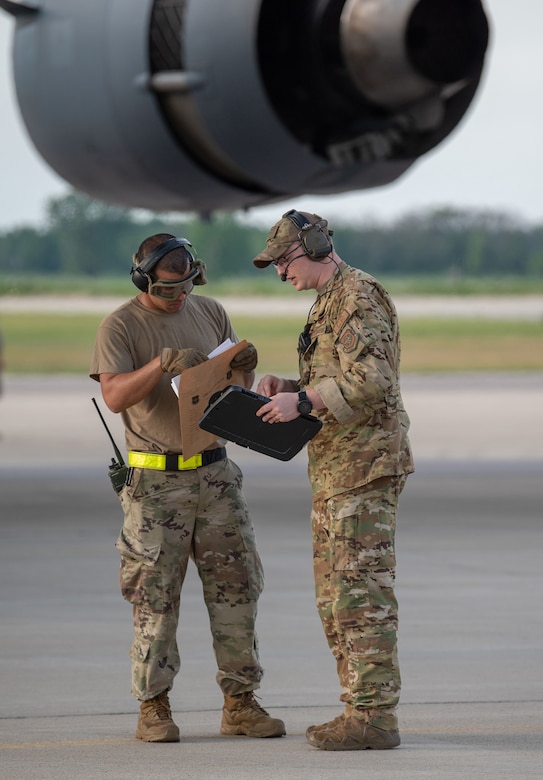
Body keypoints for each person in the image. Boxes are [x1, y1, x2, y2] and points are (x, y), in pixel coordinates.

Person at [90, 233, 285, 743]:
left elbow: (234, 391)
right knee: (155, 596)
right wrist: (158, 366)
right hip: (156, 481)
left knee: (237, 586)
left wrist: (245, 367)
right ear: (144, 280)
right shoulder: (121, 325)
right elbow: (113, 396)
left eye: (186, 287)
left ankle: (240, 703)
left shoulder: (212, 311)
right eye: (169, 290)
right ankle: (154, 707)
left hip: (216, 472)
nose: (180, 298)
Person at [252, 210, 414, 751]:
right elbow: (339, 378)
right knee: (335, 597)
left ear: (317, 245)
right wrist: (292, 385)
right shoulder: (329, 301)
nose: (280, 273)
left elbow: (374, 379)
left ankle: (374, 718)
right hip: (337, 468)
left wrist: (299, 401)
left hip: (363, 468)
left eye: (284, 261)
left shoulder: (356, 296)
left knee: (360, 596)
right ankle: (360, 710)